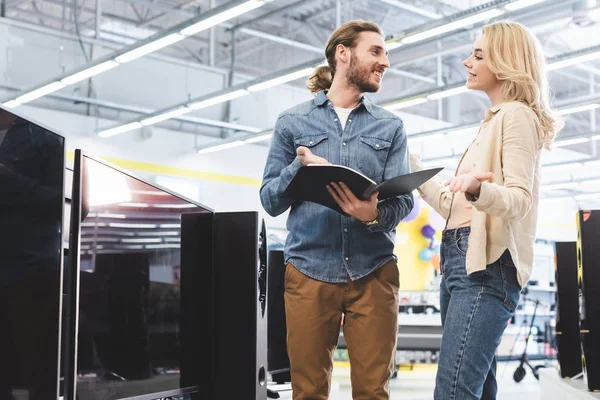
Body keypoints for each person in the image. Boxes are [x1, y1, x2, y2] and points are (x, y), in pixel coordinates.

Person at [260, 20, 414, 400]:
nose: (386, 62)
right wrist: (300, 166)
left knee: (373, 392)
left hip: (374, 272)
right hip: (308, 271)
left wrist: (373, 215)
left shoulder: (391, 126)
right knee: (308, 391)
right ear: (343, 54)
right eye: (376, 51)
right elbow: (269, 200)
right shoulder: (292, 122)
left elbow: (404, 199)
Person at [410, 21, 564, 400]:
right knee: (476, 390)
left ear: (506, 62)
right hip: (458, 260)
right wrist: (413, 171)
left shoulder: (516, 116)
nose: (467, 61)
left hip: (485, 265)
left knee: (453, 390)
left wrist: (480, 189)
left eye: (478, 55)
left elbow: (519, 198)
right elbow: (452, 204)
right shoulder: (492, 122)